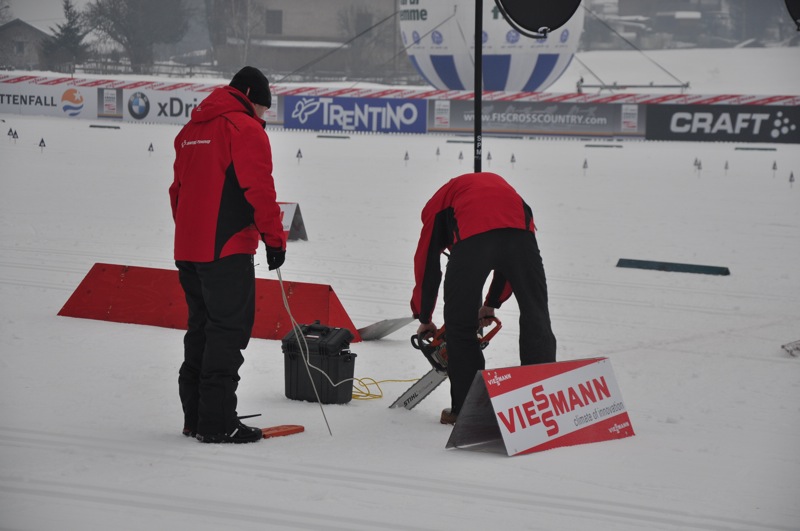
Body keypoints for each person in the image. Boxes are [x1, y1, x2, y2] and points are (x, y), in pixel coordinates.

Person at [169, 66, 287, 443]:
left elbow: (177, 192)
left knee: (201, 330)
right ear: (252, 97)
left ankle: (196, 418)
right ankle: (217, 423)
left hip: (188, 248)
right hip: (227, 248)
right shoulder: (244, 128)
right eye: (264, 109)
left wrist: (192, 233)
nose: (264, 116)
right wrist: (275, 239)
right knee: (227, 333)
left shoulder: (189, 131)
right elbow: (259, 191)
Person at [410, 172, 556, 425]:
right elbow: (508, 258)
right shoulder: (499, 190)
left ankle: (466, 410)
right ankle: (541, 407)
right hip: (521, 232)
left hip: (476, 238)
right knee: (536, 316)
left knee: (460, 326)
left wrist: (424, 317)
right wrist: (491, 304)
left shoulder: (435, 209)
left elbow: (427, 265)